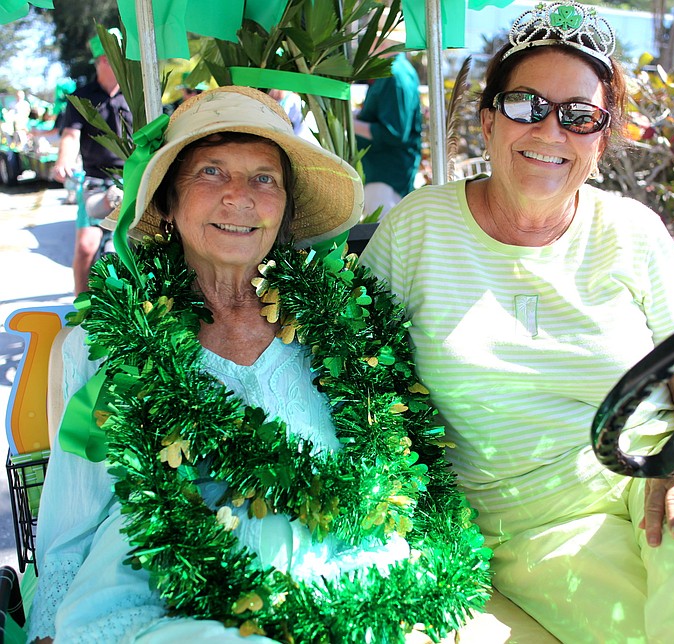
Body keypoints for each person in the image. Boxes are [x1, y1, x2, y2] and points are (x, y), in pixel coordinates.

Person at [360, 2, 674, 642]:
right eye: (524, 107)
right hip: (524, 523)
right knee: (655, 629)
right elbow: (351, 365)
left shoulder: (631, 231)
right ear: (487, 122)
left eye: (579, 117)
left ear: (601, 141)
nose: (549, 132)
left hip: (662, 466)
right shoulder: (418, 229)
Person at [28, 86, 492, 643]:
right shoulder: (107, 344)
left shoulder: (343, 326)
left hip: (345, 590)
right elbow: (73, 512)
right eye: (211, 172)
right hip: (167, 600)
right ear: (169, 204)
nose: (239, 197)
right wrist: (46, 623)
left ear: (285, 210)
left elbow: (403, 478)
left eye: (264, 178)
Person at [51, 31, 131, 295]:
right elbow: (70, 135)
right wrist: (64, 159)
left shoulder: (137, 96)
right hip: (96, 181)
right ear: (104, 60)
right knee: (86, 246)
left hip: (133, 181)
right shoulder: (81, 97)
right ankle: (80, 306)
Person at [353, 14, 421, 218]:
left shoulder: (394, 75)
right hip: (384, 175)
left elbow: (393, 132)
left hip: (387, 179)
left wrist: (351, 122)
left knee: (380, 242)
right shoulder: (393, 71)